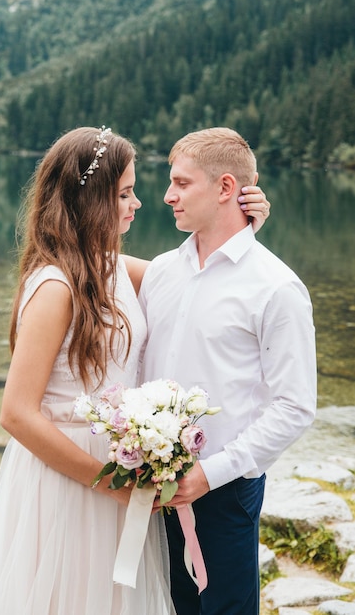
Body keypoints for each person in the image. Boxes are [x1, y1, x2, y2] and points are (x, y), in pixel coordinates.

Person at [0, 126, 269, 615]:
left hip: (119, 470)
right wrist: (114, 484)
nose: (140, 203)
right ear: (90, 201)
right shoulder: (56, 285)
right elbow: (16, 413)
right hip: (70, 480)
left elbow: (197, 279)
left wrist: (241, 229)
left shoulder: (113, 267)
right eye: (124, 193)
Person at [138, 127, 317, 615]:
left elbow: (295, 407)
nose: (167, 195)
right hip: (151, 489)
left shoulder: (276, 287)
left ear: (224, 188)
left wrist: (209, 474)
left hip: (225, 491)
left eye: (181, 182)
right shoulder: (159, 272)